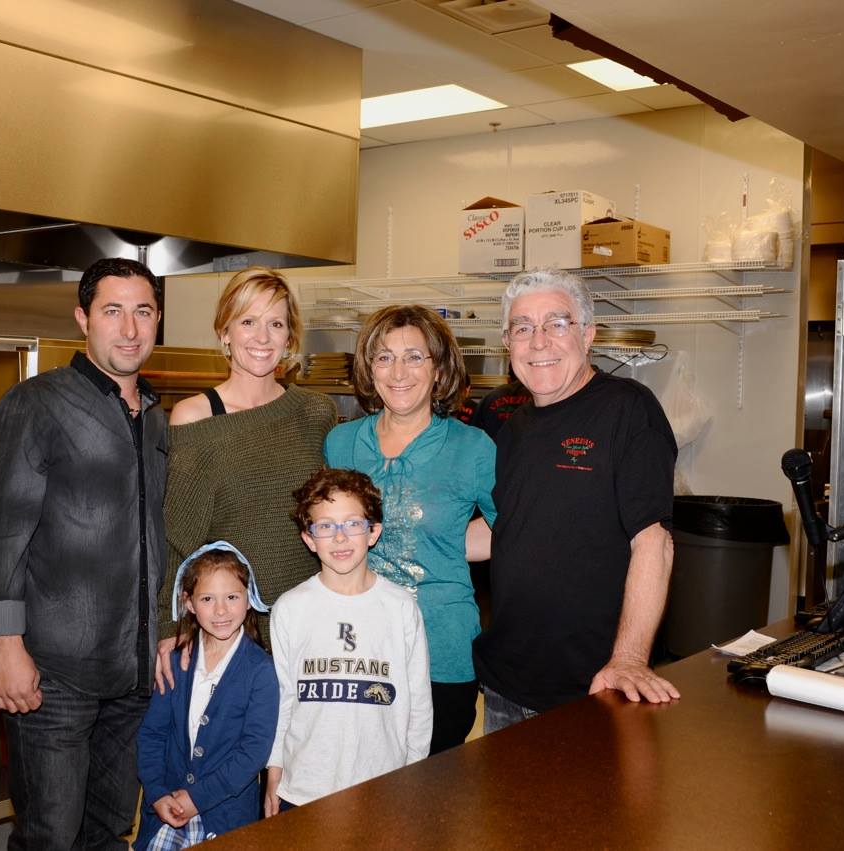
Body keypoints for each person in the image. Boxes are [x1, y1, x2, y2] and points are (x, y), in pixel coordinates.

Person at [0, 257, 167, 849]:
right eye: (114, 311)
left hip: (133, 671)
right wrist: (5, 646)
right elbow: (2, 531)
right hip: (54, 673)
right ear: (83, 318)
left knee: (110, 831)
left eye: (143, 312)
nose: (130, 329)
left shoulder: (156, 416)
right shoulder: (35, 404)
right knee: (49, 835)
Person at [473, 268, 680, 734]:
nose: (539, 341)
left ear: (588, 335)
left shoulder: (627, 409)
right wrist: (396, 538)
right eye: (523, 328)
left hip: (593, 687)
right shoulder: (512, 429)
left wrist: (628, 659)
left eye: (557, 324)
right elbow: (502, 529)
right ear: (508, 344)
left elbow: (654, 542)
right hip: (507, 682)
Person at [323, 305, 495, 754]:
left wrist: (441, 542)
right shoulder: (341, 442)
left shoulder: (473, 447)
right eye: (384, 357)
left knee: (430, 798)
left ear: (438, 370)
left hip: (442, 650)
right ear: (369, 369)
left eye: (414, 357)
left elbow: (510, 531)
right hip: (358, 650)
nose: (398, 372)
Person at [157, 267, 336, 687]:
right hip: (232, 631)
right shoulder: (196, 417)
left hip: (311, 626)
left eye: (276, 324)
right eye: (248, 322)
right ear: (225, 332)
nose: (262, 337)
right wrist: (170, 629)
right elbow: (176, 539)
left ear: (290, 337)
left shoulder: (316, 413)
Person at [265, 468, 431, 813]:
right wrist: (275, 769)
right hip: (305, 786)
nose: (340, 538)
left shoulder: (401, 607)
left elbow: (418, 704)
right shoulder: (290, 608)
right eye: (325, 526)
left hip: (383, 784)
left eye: (352, 524)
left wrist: (415, 774)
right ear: (309, 539)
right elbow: (282, 699)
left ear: (373, 532)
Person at [136, 542, 279, 850]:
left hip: (226, 816)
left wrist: (196, 799)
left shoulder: (260, 670)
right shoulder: (176, 662)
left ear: (248, 599)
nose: (221, 610)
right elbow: (152, 735)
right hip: (168, 807)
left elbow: (253, 753)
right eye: (207, 599)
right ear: (189, 603)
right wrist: (157, 793)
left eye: (232, 597)